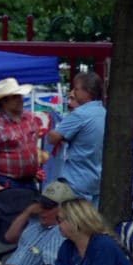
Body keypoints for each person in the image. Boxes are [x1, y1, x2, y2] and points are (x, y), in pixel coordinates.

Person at [42, 71, 106, 205]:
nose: (74, 93)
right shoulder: (104, 113)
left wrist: (52, 132)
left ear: (87, 91)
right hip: (96, 180)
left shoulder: (80, 114)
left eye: (76, 89)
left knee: (72, 221)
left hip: (76, 180)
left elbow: (53, 138)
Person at [0, 78, 43, 193]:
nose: (20, 99)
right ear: (4, 101)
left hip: (29, 180)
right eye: (15, 97)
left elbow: (33, 144)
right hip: (7, 181)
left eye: (20, 96)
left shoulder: (30, 118)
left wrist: (35, 168)